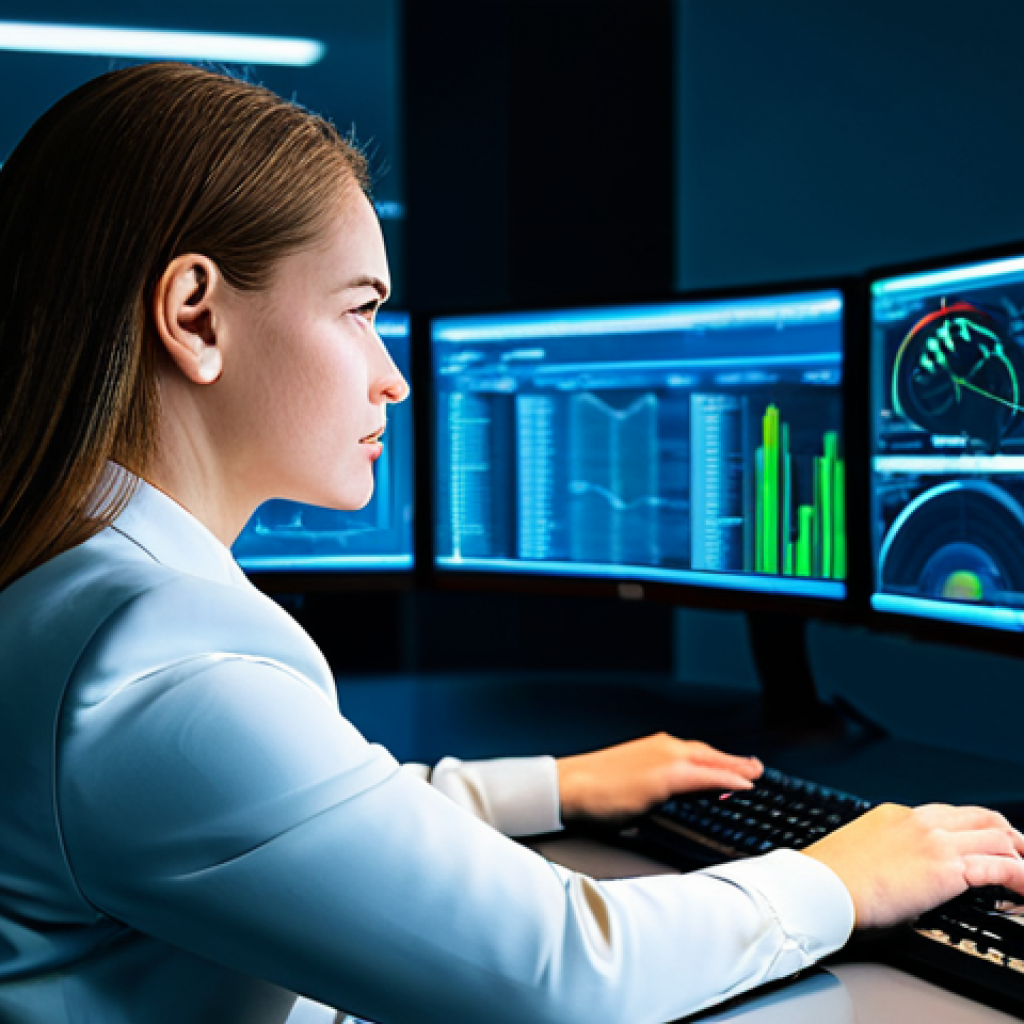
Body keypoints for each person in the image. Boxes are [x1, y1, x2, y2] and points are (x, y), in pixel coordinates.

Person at [0, 63, 1021, 1024]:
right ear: (196, 316)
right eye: (359, 311)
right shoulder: (159, 662)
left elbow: (297, 816)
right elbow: (564, 976)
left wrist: (557, 786)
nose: (392, 377)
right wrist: (840, 877)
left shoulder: (71, 591)